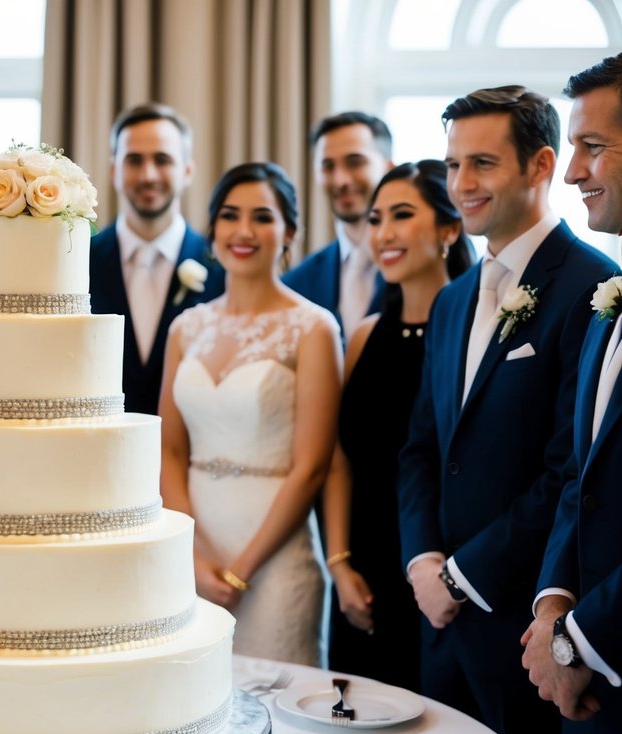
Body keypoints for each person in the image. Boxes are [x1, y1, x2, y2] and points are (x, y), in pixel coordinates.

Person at [397, 86, 618, 734]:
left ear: (541, 165)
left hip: (524, 629)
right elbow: (423, 449)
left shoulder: (590, 286)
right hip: (436, 620)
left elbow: (568, 468)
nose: (460, 183)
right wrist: (422, 562)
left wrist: (464, 577)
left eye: (482, 163)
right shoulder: (454, 298)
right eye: (454, 164)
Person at [160, 162, 341, 665]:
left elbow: (313, 467)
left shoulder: (314, 328)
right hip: (194, 553)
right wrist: (190, 557)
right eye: (229, 216)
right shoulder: (186, 328)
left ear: (289, 233)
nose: (243, 231)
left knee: (282, 708)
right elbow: (170, 451)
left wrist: (242, 569)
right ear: (212, 229)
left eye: (262, 217)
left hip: (276, 557)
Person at [323, 160, 473, 691]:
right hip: (362, 577)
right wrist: (339, 566)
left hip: (447, 579)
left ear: (449, 229)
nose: (382, 233)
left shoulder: (475, 334)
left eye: (402, 215)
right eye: (375, 218)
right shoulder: (362, 337)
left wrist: (446, 578)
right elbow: (339, 458)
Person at [521, 53, 622, 734]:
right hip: (586, 697)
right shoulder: (608, 303)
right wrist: (553, 602)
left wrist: (575, 641)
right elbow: (579, 481)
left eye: (593, 147)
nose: (574, 171)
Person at [90, 102, 225, 414]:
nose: (148, 175)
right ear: (114, 170)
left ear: (187, 170)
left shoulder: (221, 267)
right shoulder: (77, 263)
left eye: (162, 160)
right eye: (134, 160)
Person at [285, 112, 394, 338]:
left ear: (388, 167)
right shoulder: (295, 284)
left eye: (355, 162)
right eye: (328, 166)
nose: (341, 180)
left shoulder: (420, 269)